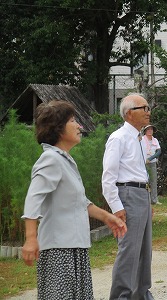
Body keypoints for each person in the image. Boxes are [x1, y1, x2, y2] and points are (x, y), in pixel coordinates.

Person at [21, 100, 127, 300]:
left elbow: (80, 201)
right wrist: (30, 238)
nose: (79, 126)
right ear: (58, 128)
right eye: (73, 121)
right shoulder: (50, 159)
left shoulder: (65, 160)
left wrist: (107, 217)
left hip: (75, 247)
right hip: (58, 250)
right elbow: (33, 198)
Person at [102, 93, 154, 299]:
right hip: (128, 194)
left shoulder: (139, 138)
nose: (148, 112)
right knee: (129, 251)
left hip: (141, 194)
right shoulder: (118, 138)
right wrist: (117, 206)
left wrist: (148, 199)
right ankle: (121, 296)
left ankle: (141, 293)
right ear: (130, 113)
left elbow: (139, 172)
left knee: (144, 251)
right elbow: (108, 177)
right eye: (145, 108)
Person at [141, 124, 162, 205]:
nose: (150, 131)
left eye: (151, 129)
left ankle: (154, 200)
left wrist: (150, 159)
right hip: (143, 163)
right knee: (144, 181)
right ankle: (145, 200)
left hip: (152, 163)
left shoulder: (155, 140)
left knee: (153, 181)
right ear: (145, 131)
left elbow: (159, 151)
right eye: (148, 129)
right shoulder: (142, 139)